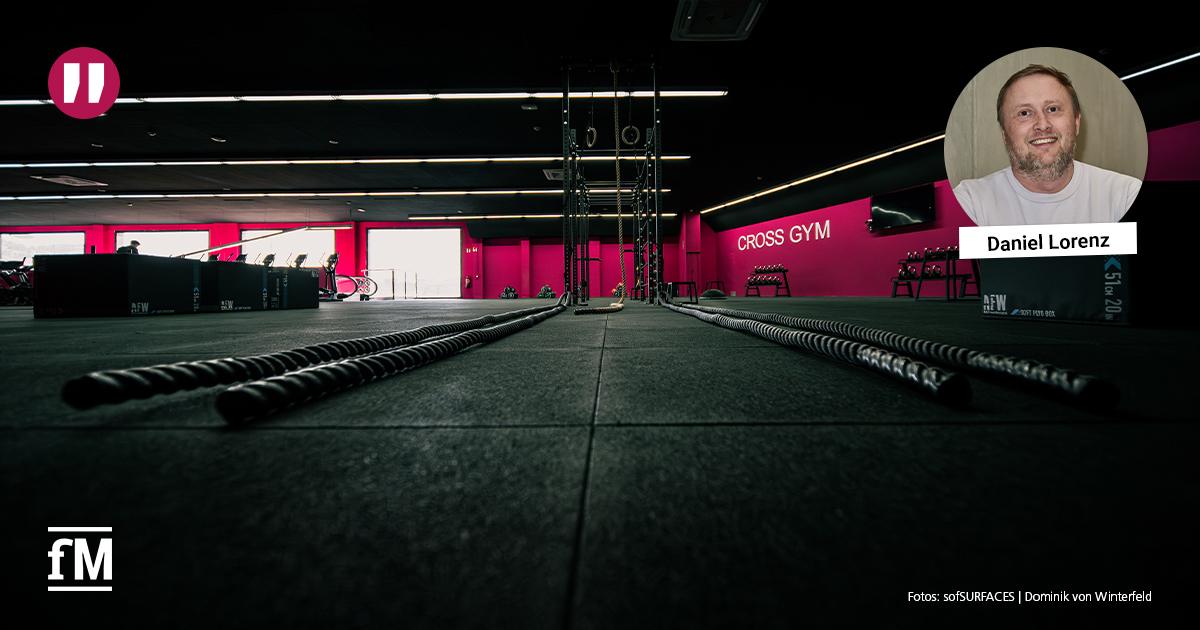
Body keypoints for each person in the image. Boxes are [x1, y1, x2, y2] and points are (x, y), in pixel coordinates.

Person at [952, 64, 1141, 226]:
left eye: (1053, 109)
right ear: (1004, 133)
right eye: (1024, 113)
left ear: (1076, 122)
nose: (1042, 124)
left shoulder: (1125, 195)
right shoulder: (969, 201)